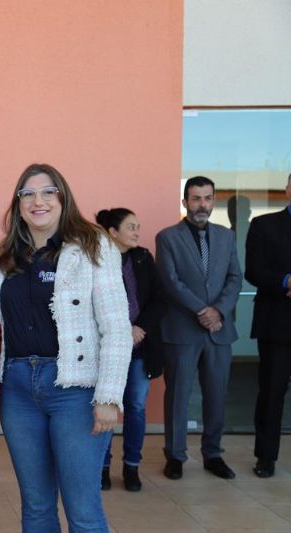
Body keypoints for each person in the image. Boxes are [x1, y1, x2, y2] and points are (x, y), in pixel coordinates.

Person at [0, 163, 132, 532]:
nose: (38, 200)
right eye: (28, 193)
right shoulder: (7, 256)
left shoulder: (92, 245)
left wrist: (109, 396)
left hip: (75, 390)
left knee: (82, 509)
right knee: (36, 507)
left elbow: (117, 326)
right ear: (18, 203)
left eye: (47, 191)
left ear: (62, 197)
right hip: (19, 389)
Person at [155, 175, 242, 481]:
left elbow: (235, 279)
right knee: (178, 395)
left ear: (213, 201)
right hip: (182, 330)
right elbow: (170, 281)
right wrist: (201, 310)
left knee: (216, 395)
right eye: (196, 198)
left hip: (219, 330)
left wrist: (217, 310)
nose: (202, 204)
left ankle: (213, 454)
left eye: (207, 198)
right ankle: (176, 455)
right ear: (185, 202)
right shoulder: (167, 237)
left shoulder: (227, 237)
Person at [95, 208, 165, 492]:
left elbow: (160, 299)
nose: (137, 232)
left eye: (138, 226)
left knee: (135, 407)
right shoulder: (96, 259)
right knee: (107, 406)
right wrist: (120, 333)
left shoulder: (143, 257)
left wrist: (139, 329)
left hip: (139, 347)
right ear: (113, 232)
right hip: (107, 349)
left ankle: (131, 466)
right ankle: (102, 466)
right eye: (131, 227)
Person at [244, 173, 291, 478]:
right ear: (288, 188)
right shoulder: (263, 225)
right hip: (277, 324)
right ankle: (266, 457)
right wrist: (286, 281)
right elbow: (254, 271)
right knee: (272, 392)